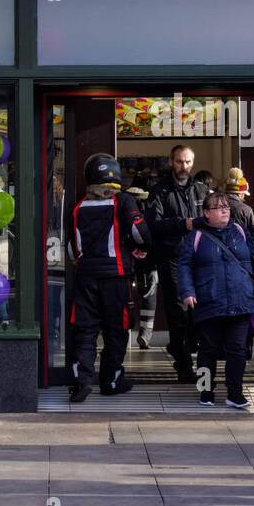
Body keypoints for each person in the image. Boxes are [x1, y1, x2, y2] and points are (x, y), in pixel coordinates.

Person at [66, 153, 150, 402]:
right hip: (116, 277)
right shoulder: (123, 201)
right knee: (116, 331)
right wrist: (142, 249)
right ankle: (111, 381)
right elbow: (140, 232)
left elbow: (71, 250)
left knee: (85, 331)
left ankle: (81, 382)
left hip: (86, 277)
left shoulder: (78, 207)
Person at [178, 190, 254, 409]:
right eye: (218, 208)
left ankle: (235, 393)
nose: (224, 211)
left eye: (226, 207)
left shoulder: (240, 231)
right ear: (206, 213)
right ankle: (205, 391)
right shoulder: (196, 236)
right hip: (208, 300)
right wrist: (187, 291)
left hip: (241, 299)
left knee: (237, 349)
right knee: (207, 349)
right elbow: (184, 266)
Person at [145, 145, 211, 382]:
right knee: (179, 313)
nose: (185, 166)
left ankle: (187, 352)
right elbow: (152, 225)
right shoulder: (159, 191)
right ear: (171, 162)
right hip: (172, 258)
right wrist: (184, 224)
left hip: (201, 258)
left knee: (200, 311)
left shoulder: (202, 190)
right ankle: (184, 366)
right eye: (180, 161)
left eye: (188, 162)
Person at [124, 184, 158, 349]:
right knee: (149, 294)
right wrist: (145, 250)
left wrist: (131, 248)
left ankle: (125, 332)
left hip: (126, 259)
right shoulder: (151, 206)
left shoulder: (122, 206)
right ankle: (145, 334)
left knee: (125, 294)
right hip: (148, 259)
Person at [224, 168, 254, 241]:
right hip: (241, 245)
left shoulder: (216, 204)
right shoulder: (246, 209)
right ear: (240, 194)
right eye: (244, 194)